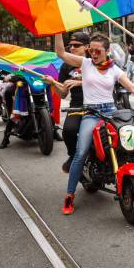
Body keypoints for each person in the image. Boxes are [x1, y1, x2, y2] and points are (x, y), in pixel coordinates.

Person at [54, 32, 134, 215]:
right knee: (80, 152)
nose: (93, 53)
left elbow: (132, 87)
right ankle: (69, 195)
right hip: (91, 113)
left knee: (131, 143)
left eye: (98, 51)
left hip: (111, 111)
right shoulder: (85, 64)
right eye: (91, 50)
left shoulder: (114, 69)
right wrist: (57, 30)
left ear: (107, 51)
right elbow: (61, 53)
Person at [44, 32, 89, 172]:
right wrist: (53, 84)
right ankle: (73, 155)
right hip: (77, 106)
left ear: (87, 47)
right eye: (70, 45)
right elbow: (63, 94)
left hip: (99, 104)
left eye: (76, 45)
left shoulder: (95, 60)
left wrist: (80, 82)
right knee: (68, 131)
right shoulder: (65, 66)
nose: (72, 48)